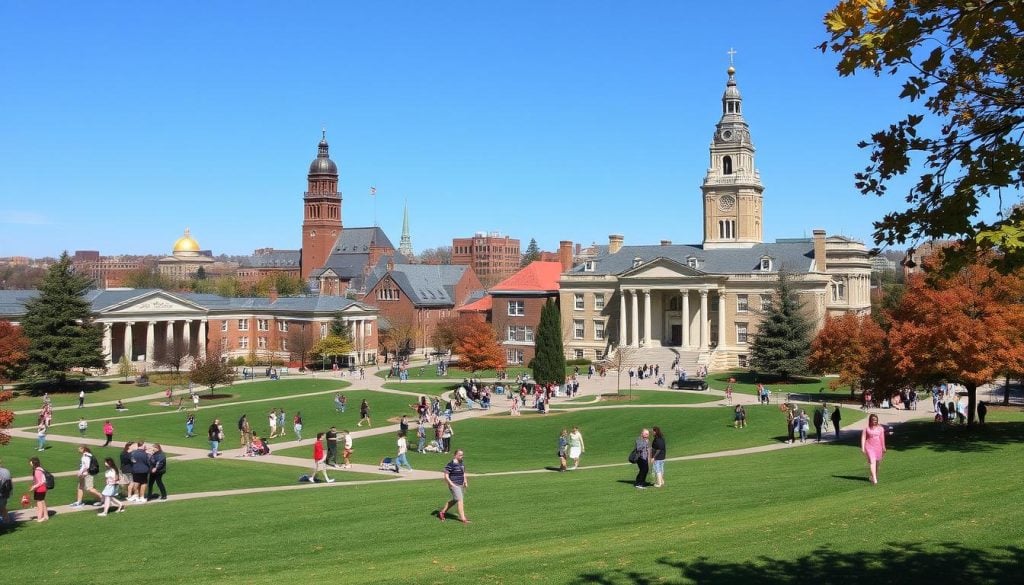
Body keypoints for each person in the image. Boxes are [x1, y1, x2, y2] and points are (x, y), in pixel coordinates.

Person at [438, 449, 469, 524]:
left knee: (455, 500)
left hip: (460, 484)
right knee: (460, 500)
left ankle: (442, 512)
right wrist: (451, 484)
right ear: (455, 455)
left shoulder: (462, 463)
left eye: (462, 455)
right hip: (454, 485)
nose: (462, 456)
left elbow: (463, 473)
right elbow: (446, 475)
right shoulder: (450, 464)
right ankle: (463, 518)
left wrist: (465, 481)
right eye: (460, 455)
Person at [860, 413, 887, 484]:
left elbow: (882, 438)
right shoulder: (866, 428)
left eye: (876, 420)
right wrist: (862, 448)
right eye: (873, 420)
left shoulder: (881, 428)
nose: (875, 421)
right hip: (869, 446)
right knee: (872, 461)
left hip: (878, 447)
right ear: (870, 420)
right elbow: (863, 438)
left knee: (877, 463)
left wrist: (883, 447)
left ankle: (873, 476)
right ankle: (875, 479)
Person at [27, 457, 48, 522]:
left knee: (39, 503)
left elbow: (40, 482)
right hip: (42, 488)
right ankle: (45, 516)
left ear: (34, 463)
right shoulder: (39, 469)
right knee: (42, 501)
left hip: (40, 488)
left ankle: (39, 518)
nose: (30, 463)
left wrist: (33, 487)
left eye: (31, 461)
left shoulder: (37, 470)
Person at [0, 459, 11, 526]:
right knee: (3, 507)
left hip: (1, 493)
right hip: (6, 493)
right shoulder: (6, 470)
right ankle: (7, 521)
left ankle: (6, 521)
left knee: (2, 507)